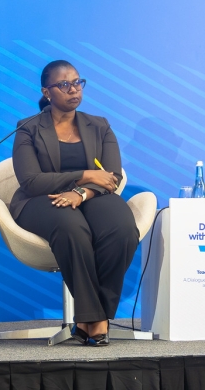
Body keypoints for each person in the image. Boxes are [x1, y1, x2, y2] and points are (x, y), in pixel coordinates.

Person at [11, 60, 139, 345]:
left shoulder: (99, 126)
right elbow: (31, 181)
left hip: (91, 196)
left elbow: (112, 177)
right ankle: (95, 319)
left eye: (78, 82)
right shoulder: (28, 128)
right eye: (64, 84)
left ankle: (91, 318)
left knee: (122, 228)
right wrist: (84, 174)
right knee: (71, 227)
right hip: (40, 200)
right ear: (47, 92)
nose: (73, 90)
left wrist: (81, 192)